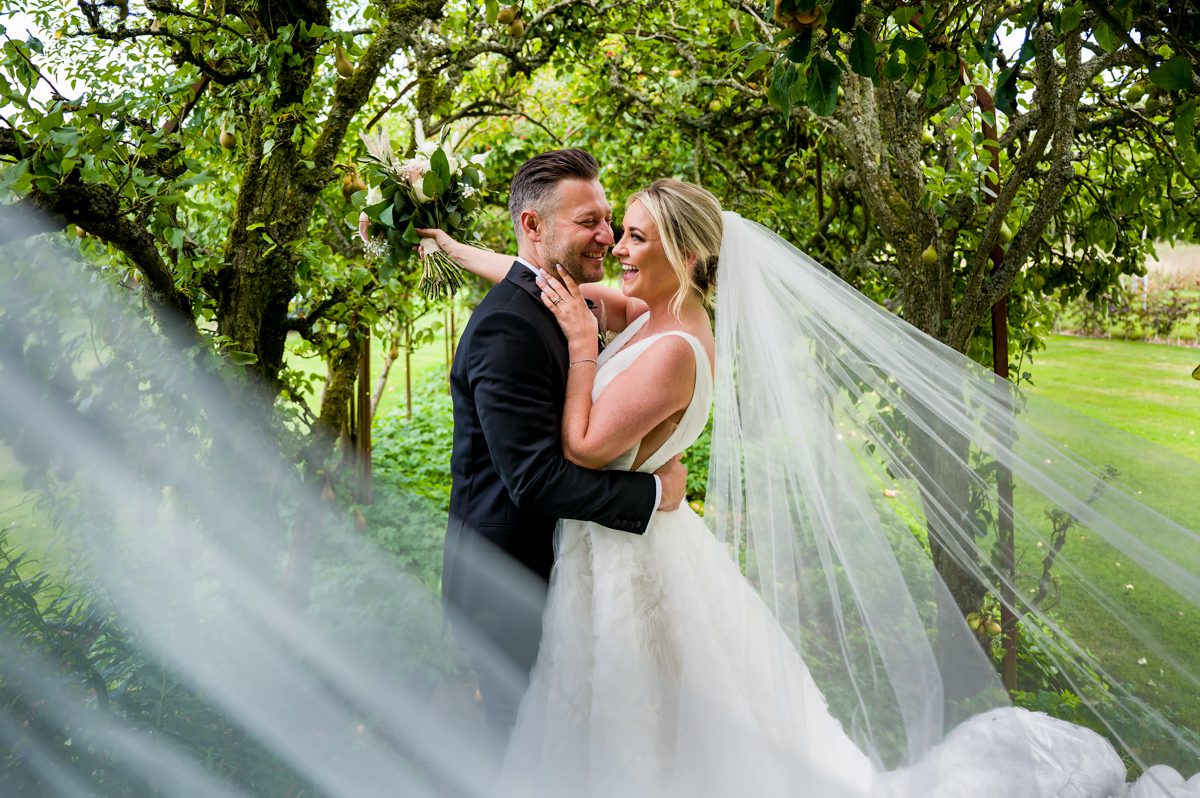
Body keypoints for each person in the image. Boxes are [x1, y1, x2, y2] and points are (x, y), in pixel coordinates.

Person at [425, 179, 1200, 796]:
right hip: (619, 547)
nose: (617, 247)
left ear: (687, 256)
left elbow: (585, 443)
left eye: (634, 235)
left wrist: (585, 351)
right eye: (617, 230)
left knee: (650, 724)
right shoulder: (650, 311)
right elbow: (543, 284)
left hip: (635, 557)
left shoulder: (671, 346)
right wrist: (465, 252)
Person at [439, 149, 688, 757]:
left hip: (564, 568)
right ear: (533, 226)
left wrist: (455, 248)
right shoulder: (508, 327)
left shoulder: (558, 296)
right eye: (590, 223)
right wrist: (655, 493)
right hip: (509, 582)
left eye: (610, 220)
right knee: (523, 749)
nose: (606, 237)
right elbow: (535, 480)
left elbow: (528, 273)